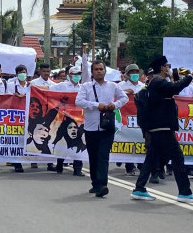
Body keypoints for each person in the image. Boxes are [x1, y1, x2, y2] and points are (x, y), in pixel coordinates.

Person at [131, 56, 193, 203]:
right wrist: (191, 76)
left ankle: (139, 189)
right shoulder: (158, 81)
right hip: (161, 127)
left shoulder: (155, 82)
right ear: (162, 68)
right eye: (167, 65)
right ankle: (184, 192)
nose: (169, 68)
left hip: (157, 127)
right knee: (177, 158)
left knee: (151, 159)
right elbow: (175, 88)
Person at [75, 60, 128, 198]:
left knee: (103, 156)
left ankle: (103, 185)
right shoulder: (86, 87)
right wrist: (96, 105)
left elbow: (124, 98)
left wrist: (114, 105)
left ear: (105, 71)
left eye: (101, 69)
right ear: (92, 72)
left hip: (107, 127)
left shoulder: (112, 86)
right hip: (91, 127)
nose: (99, 71)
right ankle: (95, 183)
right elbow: (79, 101)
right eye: (96, 69)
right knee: (93, 157)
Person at [53, 65, 85, 176]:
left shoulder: (83, 88)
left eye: (78, 74)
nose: (77, 76)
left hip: (79, 120)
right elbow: (48, 93)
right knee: (62, 140)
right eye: (75, 74)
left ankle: (78, 168)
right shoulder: (61, 86)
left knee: (78, 141)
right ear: (69, 75)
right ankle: (59, 164)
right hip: (64, 118)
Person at [118, 63, 144, 176]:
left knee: (140, 140)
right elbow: (115, 96)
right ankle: (129, 166)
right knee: (128, 140)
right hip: (126, 118)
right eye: (132, 72)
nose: (135, 74)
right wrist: (125, 92)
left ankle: (141, 164)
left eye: (136, 72)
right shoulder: (120, 85)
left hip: (140, 117)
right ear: (127, 74)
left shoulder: (143, 86)